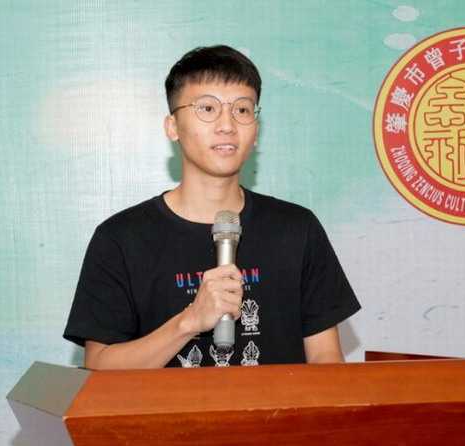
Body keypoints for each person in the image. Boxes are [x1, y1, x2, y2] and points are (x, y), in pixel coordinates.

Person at [63, 45, 360, 368]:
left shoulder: (297, 229)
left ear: (256, 130)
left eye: (242, 110)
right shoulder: (121, 239)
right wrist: (189, 321)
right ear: (173, 126)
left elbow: (326, 358)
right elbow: (98, 368)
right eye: (207, 108)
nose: (227, 125)